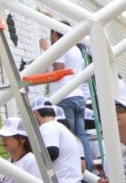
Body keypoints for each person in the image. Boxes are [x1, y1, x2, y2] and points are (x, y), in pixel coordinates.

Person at [41, 29, 96, 171]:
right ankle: (88, 173)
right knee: (81, 136)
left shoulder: (61, 47)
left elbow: (58, 72)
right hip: (78, 96)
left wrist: (46, 50)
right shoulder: (76, 50)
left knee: (70, 137)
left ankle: (80, 175)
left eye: (50, 34)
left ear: (54, 34)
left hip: (65, 96)